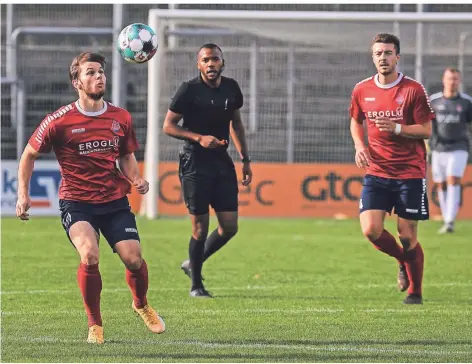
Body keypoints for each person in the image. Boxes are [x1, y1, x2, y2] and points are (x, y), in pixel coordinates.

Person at [16, 52, 165, 344]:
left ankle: (141, 304)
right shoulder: (58, 121)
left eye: (101, 72)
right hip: (77, 202)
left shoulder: (120, 116)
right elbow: (28, 155)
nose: (99, 77)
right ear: (77, 82)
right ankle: (94, 324)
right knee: (89, 254)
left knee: (134, 260)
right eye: (91, 72)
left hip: (113, 201)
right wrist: (24, 194)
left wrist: (135, 178)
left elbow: (126, 154)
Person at [349, 33, 435, 304]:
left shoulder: (413, 90)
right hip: (377, 171)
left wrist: (398, 128)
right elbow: (355, 121)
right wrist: (359, 146)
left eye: (388, 53)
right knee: (371, 230)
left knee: (407, 236)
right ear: (372, 57)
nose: (383, 58)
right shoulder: (362, 89)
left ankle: (415, 292)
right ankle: (402, 261)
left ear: (397, 56)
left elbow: (426, 130)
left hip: (410, 172)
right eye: (378, 53)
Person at [162, 43, 253, 298]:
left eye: (215, 59)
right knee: (200, 229)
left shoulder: (231, 88)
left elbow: (236, 123)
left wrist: (245, 159)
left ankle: (193, 263)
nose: (210, 64)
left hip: (221, 161)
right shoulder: (189, 90)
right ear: (198, 65)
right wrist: (198, 138)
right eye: (205, 60)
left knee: (230, 227)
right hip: (194, 163)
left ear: (222, 62)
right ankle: (196, 286)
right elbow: (168, 126)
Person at [429, 68, 472, 234]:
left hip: (459, 147)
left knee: (453, 179)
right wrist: (429, 143)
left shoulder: (467, 102)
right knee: (441, 184)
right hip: (438, 148)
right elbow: (427, 124)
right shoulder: (434, 101)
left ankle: (449, 221)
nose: (452, 82)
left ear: (459, 81)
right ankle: (446, 217)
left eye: (455, 79)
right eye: (449, 78)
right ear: (443, 80)